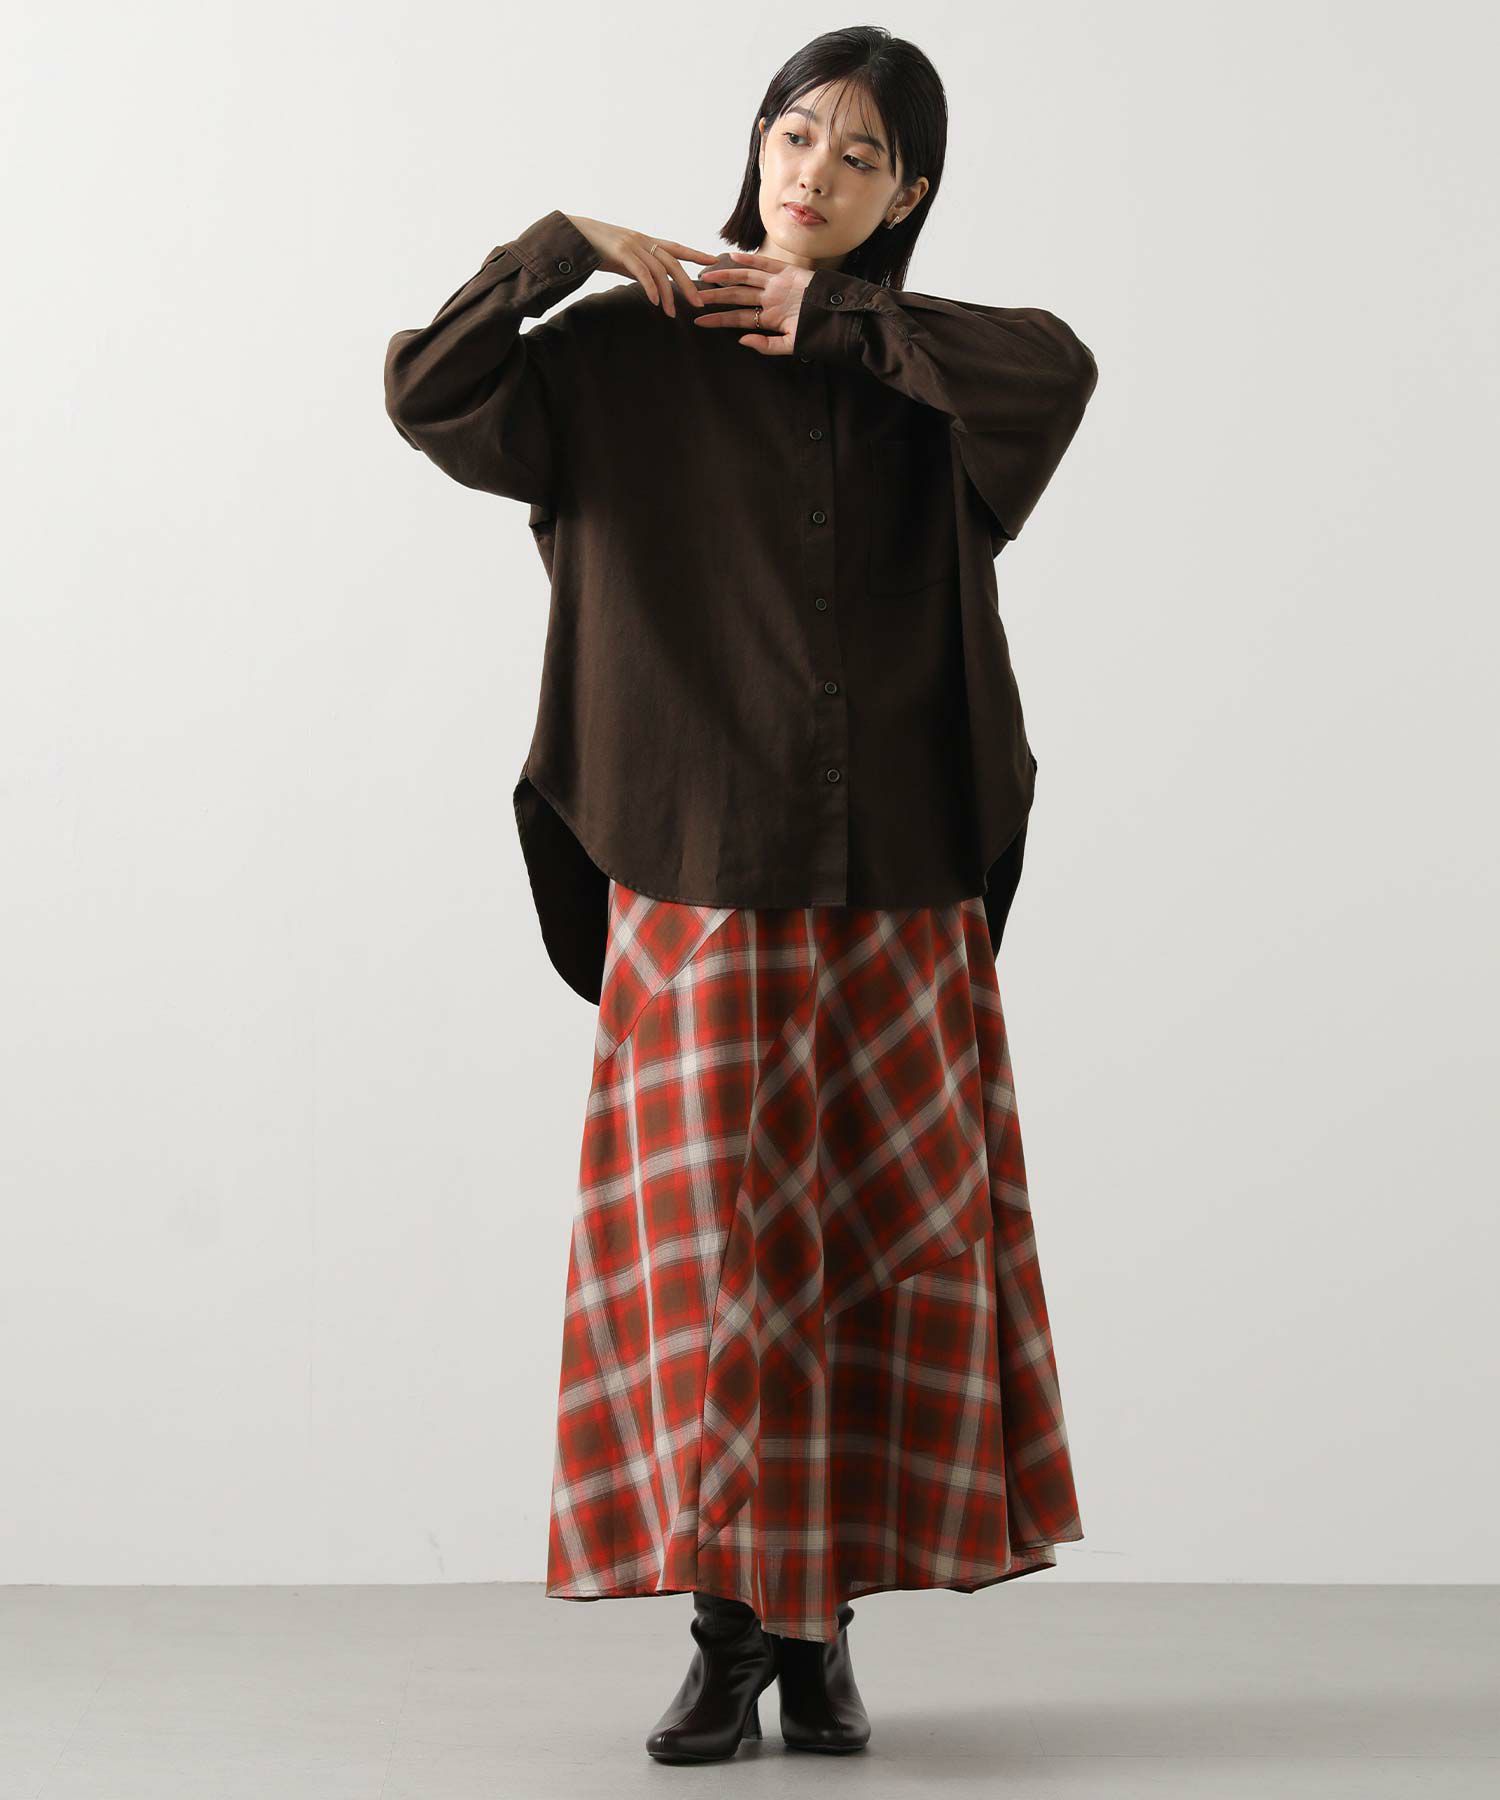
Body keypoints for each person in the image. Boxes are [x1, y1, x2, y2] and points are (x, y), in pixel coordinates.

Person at [384, 24, 1098, 1766]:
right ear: (754, 144)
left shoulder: (933, 370)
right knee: (711, 1274)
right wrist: (562, 247)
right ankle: (726, 1640)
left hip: (896, 879)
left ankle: (820, 1638)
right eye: (793, 135)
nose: (813, 174)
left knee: (868, 1257)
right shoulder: (624, 353)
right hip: (698, 865)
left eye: (859, 154)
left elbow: (1061, 368)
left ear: (905, 194)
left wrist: (837, 324)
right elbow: (430, 391)